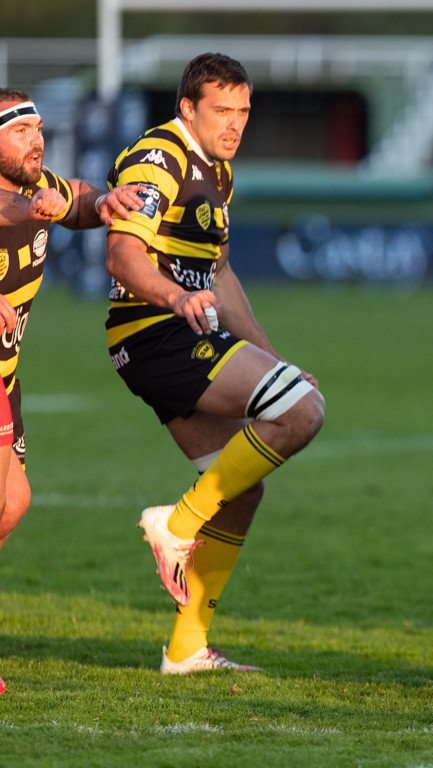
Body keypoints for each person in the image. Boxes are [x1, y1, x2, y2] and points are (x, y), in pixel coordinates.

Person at [104, 53, 325, 675]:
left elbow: (221, 273)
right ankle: (176, 522)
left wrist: (276, 361)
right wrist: (177, 297)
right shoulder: (158, 159)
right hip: (157, 334)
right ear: (187, 108)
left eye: (243, 111)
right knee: (304, 414)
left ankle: (187, 647)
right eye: (221, 111)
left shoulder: (218, 172)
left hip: (176, 335)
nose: (235, 124)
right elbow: (121, 257)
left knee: (243, 491)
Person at [0, 89, 144, 553]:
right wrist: (32, 208)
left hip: (7, 379)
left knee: (13, 504)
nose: (35, 140)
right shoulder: (20, 201)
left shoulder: (37, 188)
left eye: (38, 129)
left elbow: (77, 199)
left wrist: (103, 202)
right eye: (20, 131)